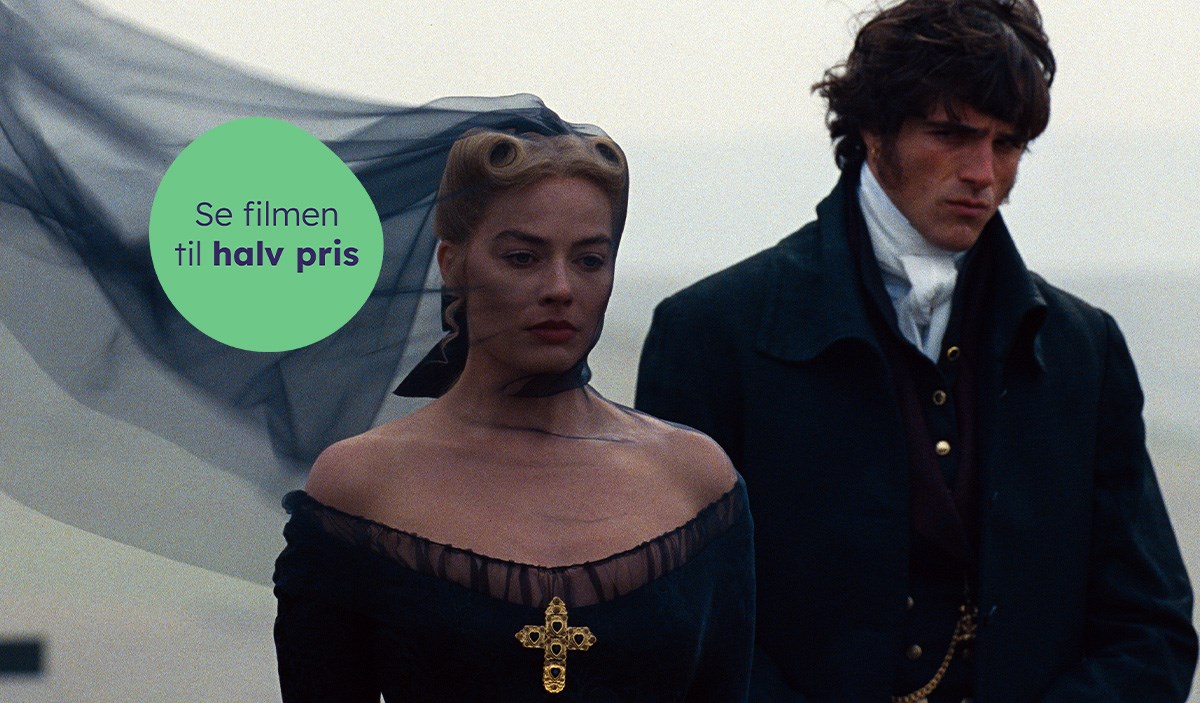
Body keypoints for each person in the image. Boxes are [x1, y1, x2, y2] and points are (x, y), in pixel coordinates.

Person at [635, 0, 1197, 700]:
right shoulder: (712, 333)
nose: (982, 172)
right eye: (951, 134)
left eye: (1007, 144)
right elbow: (680, 621)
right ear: (873, 129)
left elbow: (1151, 628)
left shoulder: (1084, 349)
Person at [272, 130, 756, 701]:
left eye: (590, 260)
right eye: (523, 257)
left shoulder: (694, 479)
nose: (560, 288)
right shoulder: (364, 485)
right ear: (452, 264)